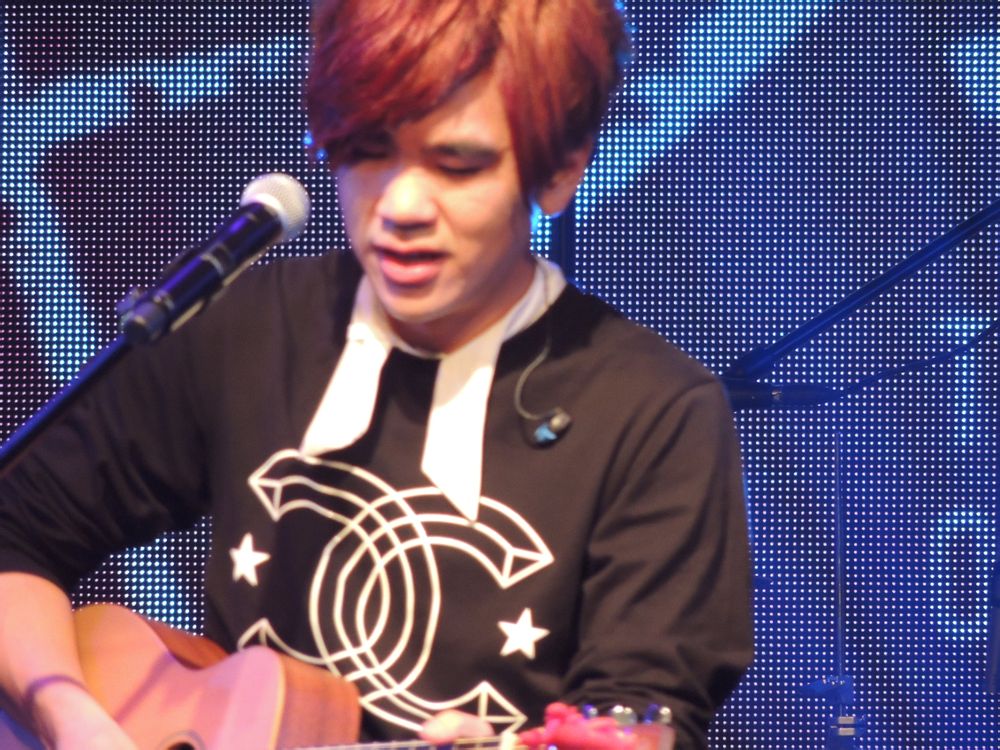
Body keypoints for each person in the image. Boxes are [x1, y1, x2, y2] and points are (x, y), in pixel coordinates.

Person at [0, 0, 753, 747]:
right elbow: (18, 533)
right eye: (366, 151)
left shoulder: (656, 411)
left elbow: (642, 712)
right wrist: (69, 719)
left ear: (561, 170)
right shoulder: (249, 326)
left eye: (457, 165)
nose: (399, 205)